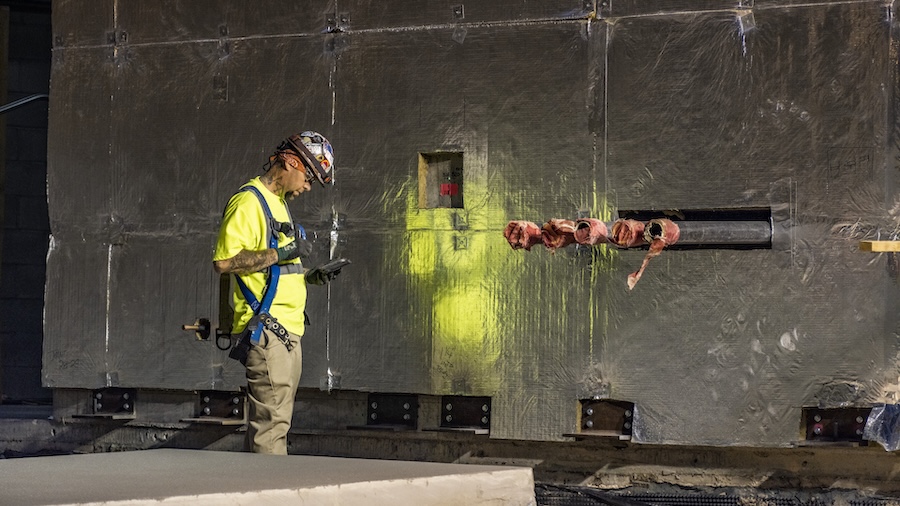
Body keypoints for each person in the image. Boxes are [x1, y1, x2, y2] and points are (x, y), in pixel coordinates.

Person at [213, 131, 338, 454]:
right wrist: (282, 254)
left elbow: (270, 269)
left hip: (284, 331)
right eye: (309, 177)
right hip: (268, 333)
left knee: (271, 427)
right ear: (291, 162)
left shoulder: (277, 204)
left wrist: (309, 276)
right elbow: (225, 262)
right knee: (271, 431)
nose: (308, 186)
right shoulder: (249, 201)